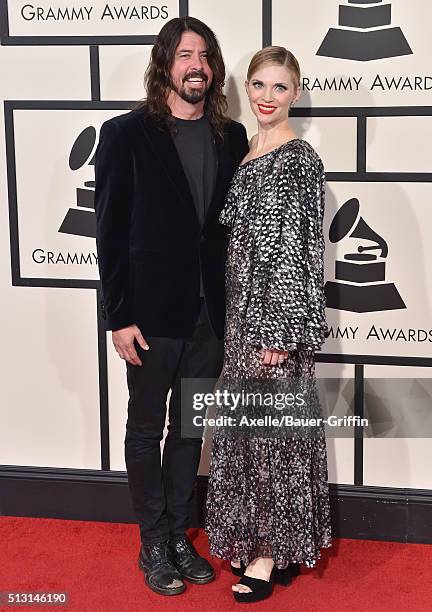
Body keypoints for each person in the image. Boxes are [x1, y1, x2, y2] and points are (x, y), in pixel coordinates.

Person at [94, 17, 248, 596]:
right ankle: (153, 540)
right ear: (165, 63)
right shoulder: (125, 134)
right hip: (151, 317)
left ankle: (180, 533)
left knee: (189, 430)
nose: (197, 67)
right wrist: (119, 316)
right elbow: (109, 233)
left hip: (212, 315)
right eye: (186, 55)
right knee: (144, 428)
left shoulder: (229, 137)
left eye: (205, 56)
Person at [205, 46, 332, 603]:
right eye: (259, 84)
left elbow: (297, 251)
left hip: (270, 323)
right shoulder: (247, 149)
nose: (266, 97)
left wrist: (279, 333)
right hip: (239, 317)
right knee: (250, 434)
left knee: (274, 438)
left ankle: (266, 553)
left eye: (279, 88)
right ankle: (266, 542)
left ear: (296, 94)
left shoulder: (298, 157)